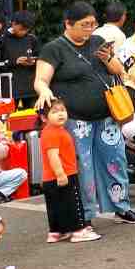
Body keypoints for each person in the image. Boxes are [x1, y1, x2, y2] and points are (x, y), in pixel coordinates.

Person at [35, 2, 135, 226]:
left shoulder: (97, 41)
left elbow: (118, 70)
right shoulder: (54, 48)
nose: (90, 29)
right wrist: (44, 91)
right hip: (76, 120)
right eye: (85, 25)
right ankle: (84, 214)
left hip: (106, 116)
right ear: (68, 24)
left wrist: (107, 59)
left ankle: (121, 207)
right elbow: (40, 79)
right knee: (82, 165)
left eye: (93, 24)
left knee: (115, 160)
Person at [39, 98, 99, 244]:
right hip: (64, 175)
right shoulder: (53, 133)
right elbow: (53, 155)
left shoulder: (51, 131)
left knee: (56, 207)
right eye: (54, 112)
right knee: (73, 204)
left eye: (63, 110)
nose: (60, 114)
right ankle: (79, 231)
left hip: (50, 178)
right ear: (44, 117)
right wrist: (60, 174)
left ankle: (56, 232)